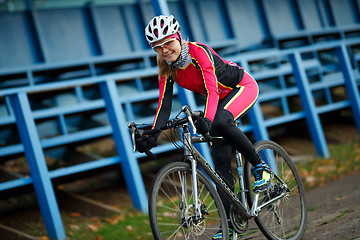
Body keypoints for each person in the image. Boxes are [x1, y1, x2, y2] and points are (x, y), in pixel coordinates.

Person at [136, 15, 272, 239]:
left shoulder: (199, 52)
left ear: (178, 37)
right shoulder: (166, 68)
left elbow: (211, 91)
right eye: (157, 47)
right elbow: (164, 106)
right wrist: (153, 135)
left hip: (241, 87)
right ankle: (232, 225)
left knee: (219, 121)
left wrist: (207, 120)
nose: (165, 50)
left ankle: (260, 168)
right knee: (220, 167)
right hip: (218, 102)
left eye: (168, 42)